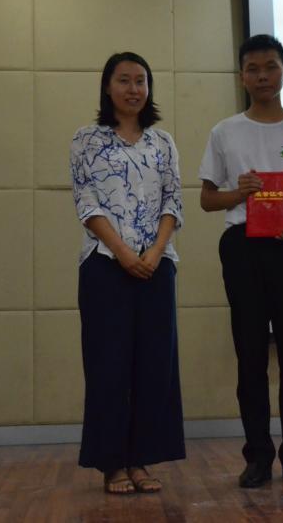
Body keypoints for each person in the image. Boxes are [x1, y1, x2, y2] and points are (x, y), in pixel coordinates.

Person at [199, 34, 283, 488]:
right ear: (241, 77)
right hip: (243, 248)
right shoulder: (225, 131)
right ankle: (257, 456)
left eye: (271, 67)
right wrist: (239, 193)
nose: (263, 76)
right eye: (253, 69)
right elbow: (207, 199)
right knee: (250, 355)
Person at [70, 52, 185, 495]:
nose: (133, 89)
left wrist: (154, 252)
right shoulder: (86, 139)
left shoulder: (163, 142)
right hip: (104, 264)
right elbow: (86, 203)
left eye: (141, 80)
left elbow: (174, 201)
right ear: (107, 86)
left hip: (157, 265)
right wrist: (122, 253)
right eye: (124, 80)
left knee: (155, 365)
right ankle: (112, 464)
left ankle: (141, 460)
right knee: (108, 365)